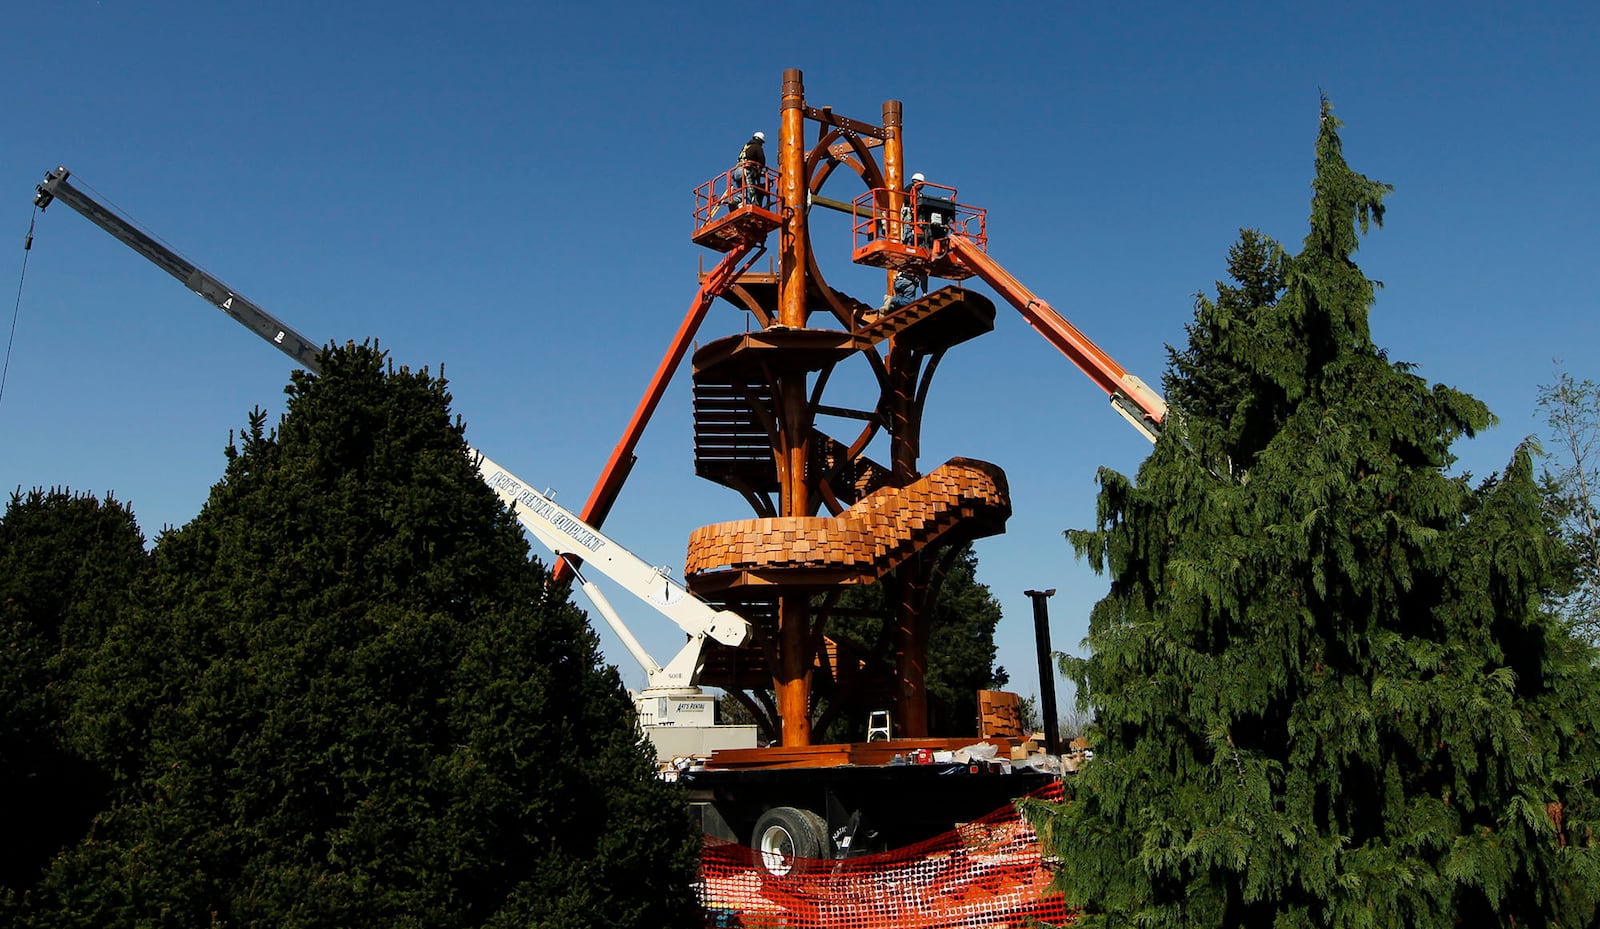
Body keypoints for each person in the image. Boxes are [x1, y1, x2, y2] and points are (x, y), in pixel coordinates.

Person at [733, 131, 767, 208]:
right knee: (750, 192)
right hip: (746, 171)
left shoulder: (746, 146)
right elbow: (762, 160)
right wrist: (759, 171)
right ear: (761, 141)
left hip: (737, 171)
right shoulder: (757, 147)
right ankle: (743, 205)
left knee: (743, 190)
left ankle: (737, 202)